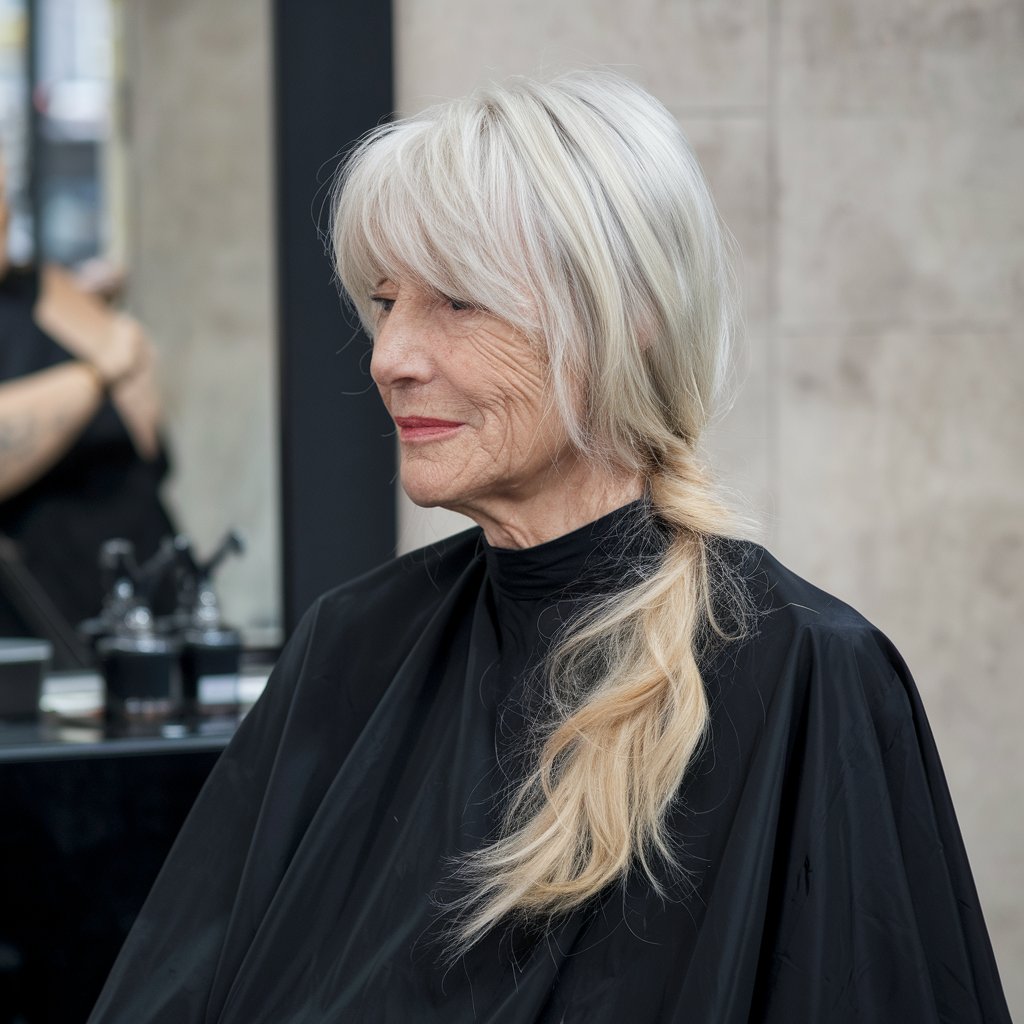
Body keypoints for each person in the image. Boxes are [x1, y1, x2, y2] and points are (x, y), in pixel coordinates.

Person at [88, 71, 1010, 1022]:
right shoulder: (351, 647)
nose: (389, 355)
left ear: (624, 321)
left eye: (455, 302)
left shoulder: (806, 677)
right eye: (384, 299)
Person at [0, 153, 174, 650]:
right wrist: (93, 378)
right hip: (34, 617)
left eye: (6, 197)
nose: (5, 215)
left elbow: (140, 399)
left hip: (135, 571)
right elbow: (114, 363)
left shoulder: (44, 287)